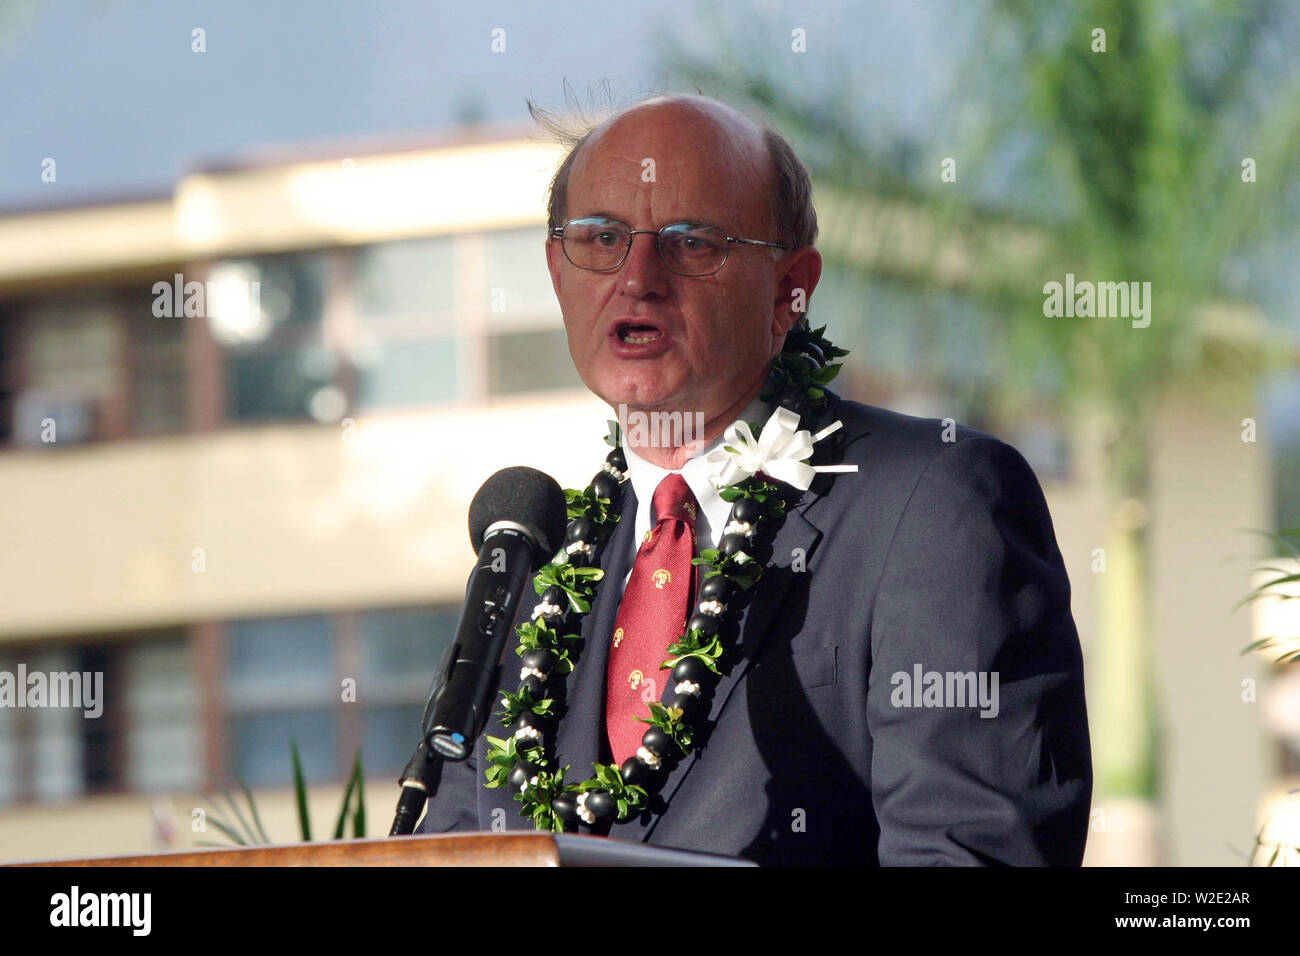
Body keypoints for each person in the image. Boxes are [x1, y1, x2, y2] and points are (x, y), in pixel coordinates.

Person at [417, 93, 1092, 865]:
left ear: (788, 291)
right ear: (556, 271)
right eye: (601, 238)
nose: (638, 278)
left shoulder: (933, 504)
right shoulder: (536, 563)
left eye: (691, 242)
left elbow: (971, 853)